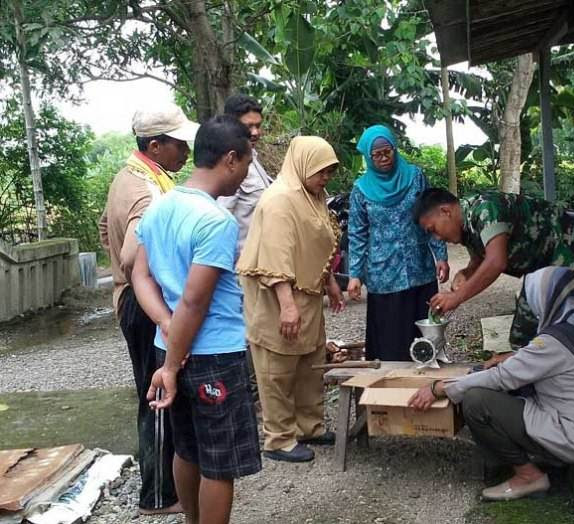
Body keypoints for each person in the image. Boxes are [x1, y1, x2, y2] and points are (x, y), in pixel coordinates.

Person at [131, 115, 262, 524]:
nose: (244, 175)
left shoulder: (161, 206)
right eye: (246, 163)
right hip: (212, 356)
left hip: (168, 347)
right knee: (219, 463)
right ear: (229, 159)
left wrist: (167, 332)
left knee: (186, 448)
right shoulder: (215, 221)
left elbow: (140, 275)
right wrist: (173, 362)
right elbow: (194, 301)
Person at [408, 266, 574, 501]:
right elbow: (556, 360)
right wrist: (513, 357)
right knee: (506, 382)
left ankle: (528, 476)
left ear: (546, 299)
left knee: (477, 400)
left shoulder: (553, 343)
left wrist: (437, 388)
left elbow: (501, 377)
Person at [98, 102, 198, 515]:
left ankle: (164, 489)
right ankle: (158, 495)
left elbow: (104, 226)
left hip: (136, 299)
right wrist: (147, 284)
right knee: (158, 394)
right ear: (155, 146)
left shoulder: (129, 176)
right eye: (179, 145)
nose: (186, 153)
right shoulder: (147, 190)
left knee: (154, 390)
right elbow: (128, 254)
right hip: (145, 303)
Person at [237, 136, 345, 463]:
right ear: (302, 165)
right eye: (321, 172)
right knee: (277, 370)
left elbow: (316, 245)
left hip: (307, 294)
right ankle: (279, 439)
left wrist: (330, 283)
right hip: (277, 297)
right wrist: (287, 304)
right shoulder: (279, 201)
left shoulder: (314, 196)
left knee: (311, 365)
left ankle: (309, 426)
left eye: (330, 172)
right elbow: (274, 256)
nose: (326, 179)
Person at [412, 188, 574, 362]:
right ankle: (530, 385)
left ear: (445, 211)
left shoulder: (485, 209)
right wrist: (466, 273)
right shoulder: (465, 227)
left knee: (566, 333)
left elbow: (496, 262)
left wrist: (457, 297)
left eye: (433, 229)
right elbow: (480, 260)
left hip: (571, 254)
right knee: (522, 337)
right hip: (539, 271)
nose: (436, 238)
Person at [346, 125, 449, 361]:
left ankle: (428, 386)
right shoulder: (361, 190)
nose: (383, 158)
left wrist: (440, 255)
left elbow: (431, 216)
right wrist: (354, 274)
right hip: (384, 275)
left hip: (419, 269)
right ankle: (391, 391)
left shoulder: (415, 178)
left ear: (395, 148)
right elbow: (358, 234)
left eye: (388, 151)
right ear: (368, 157)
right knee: (390, 339)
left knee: (425, 334)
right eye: (377, 154)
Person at [217, 94, 273, 254]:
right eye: (249, 126)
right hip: (238, 266)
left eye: (258, 125)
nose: (255, 132)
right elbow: (220, 219)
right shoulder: (229, 164)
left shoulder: (252, 158)